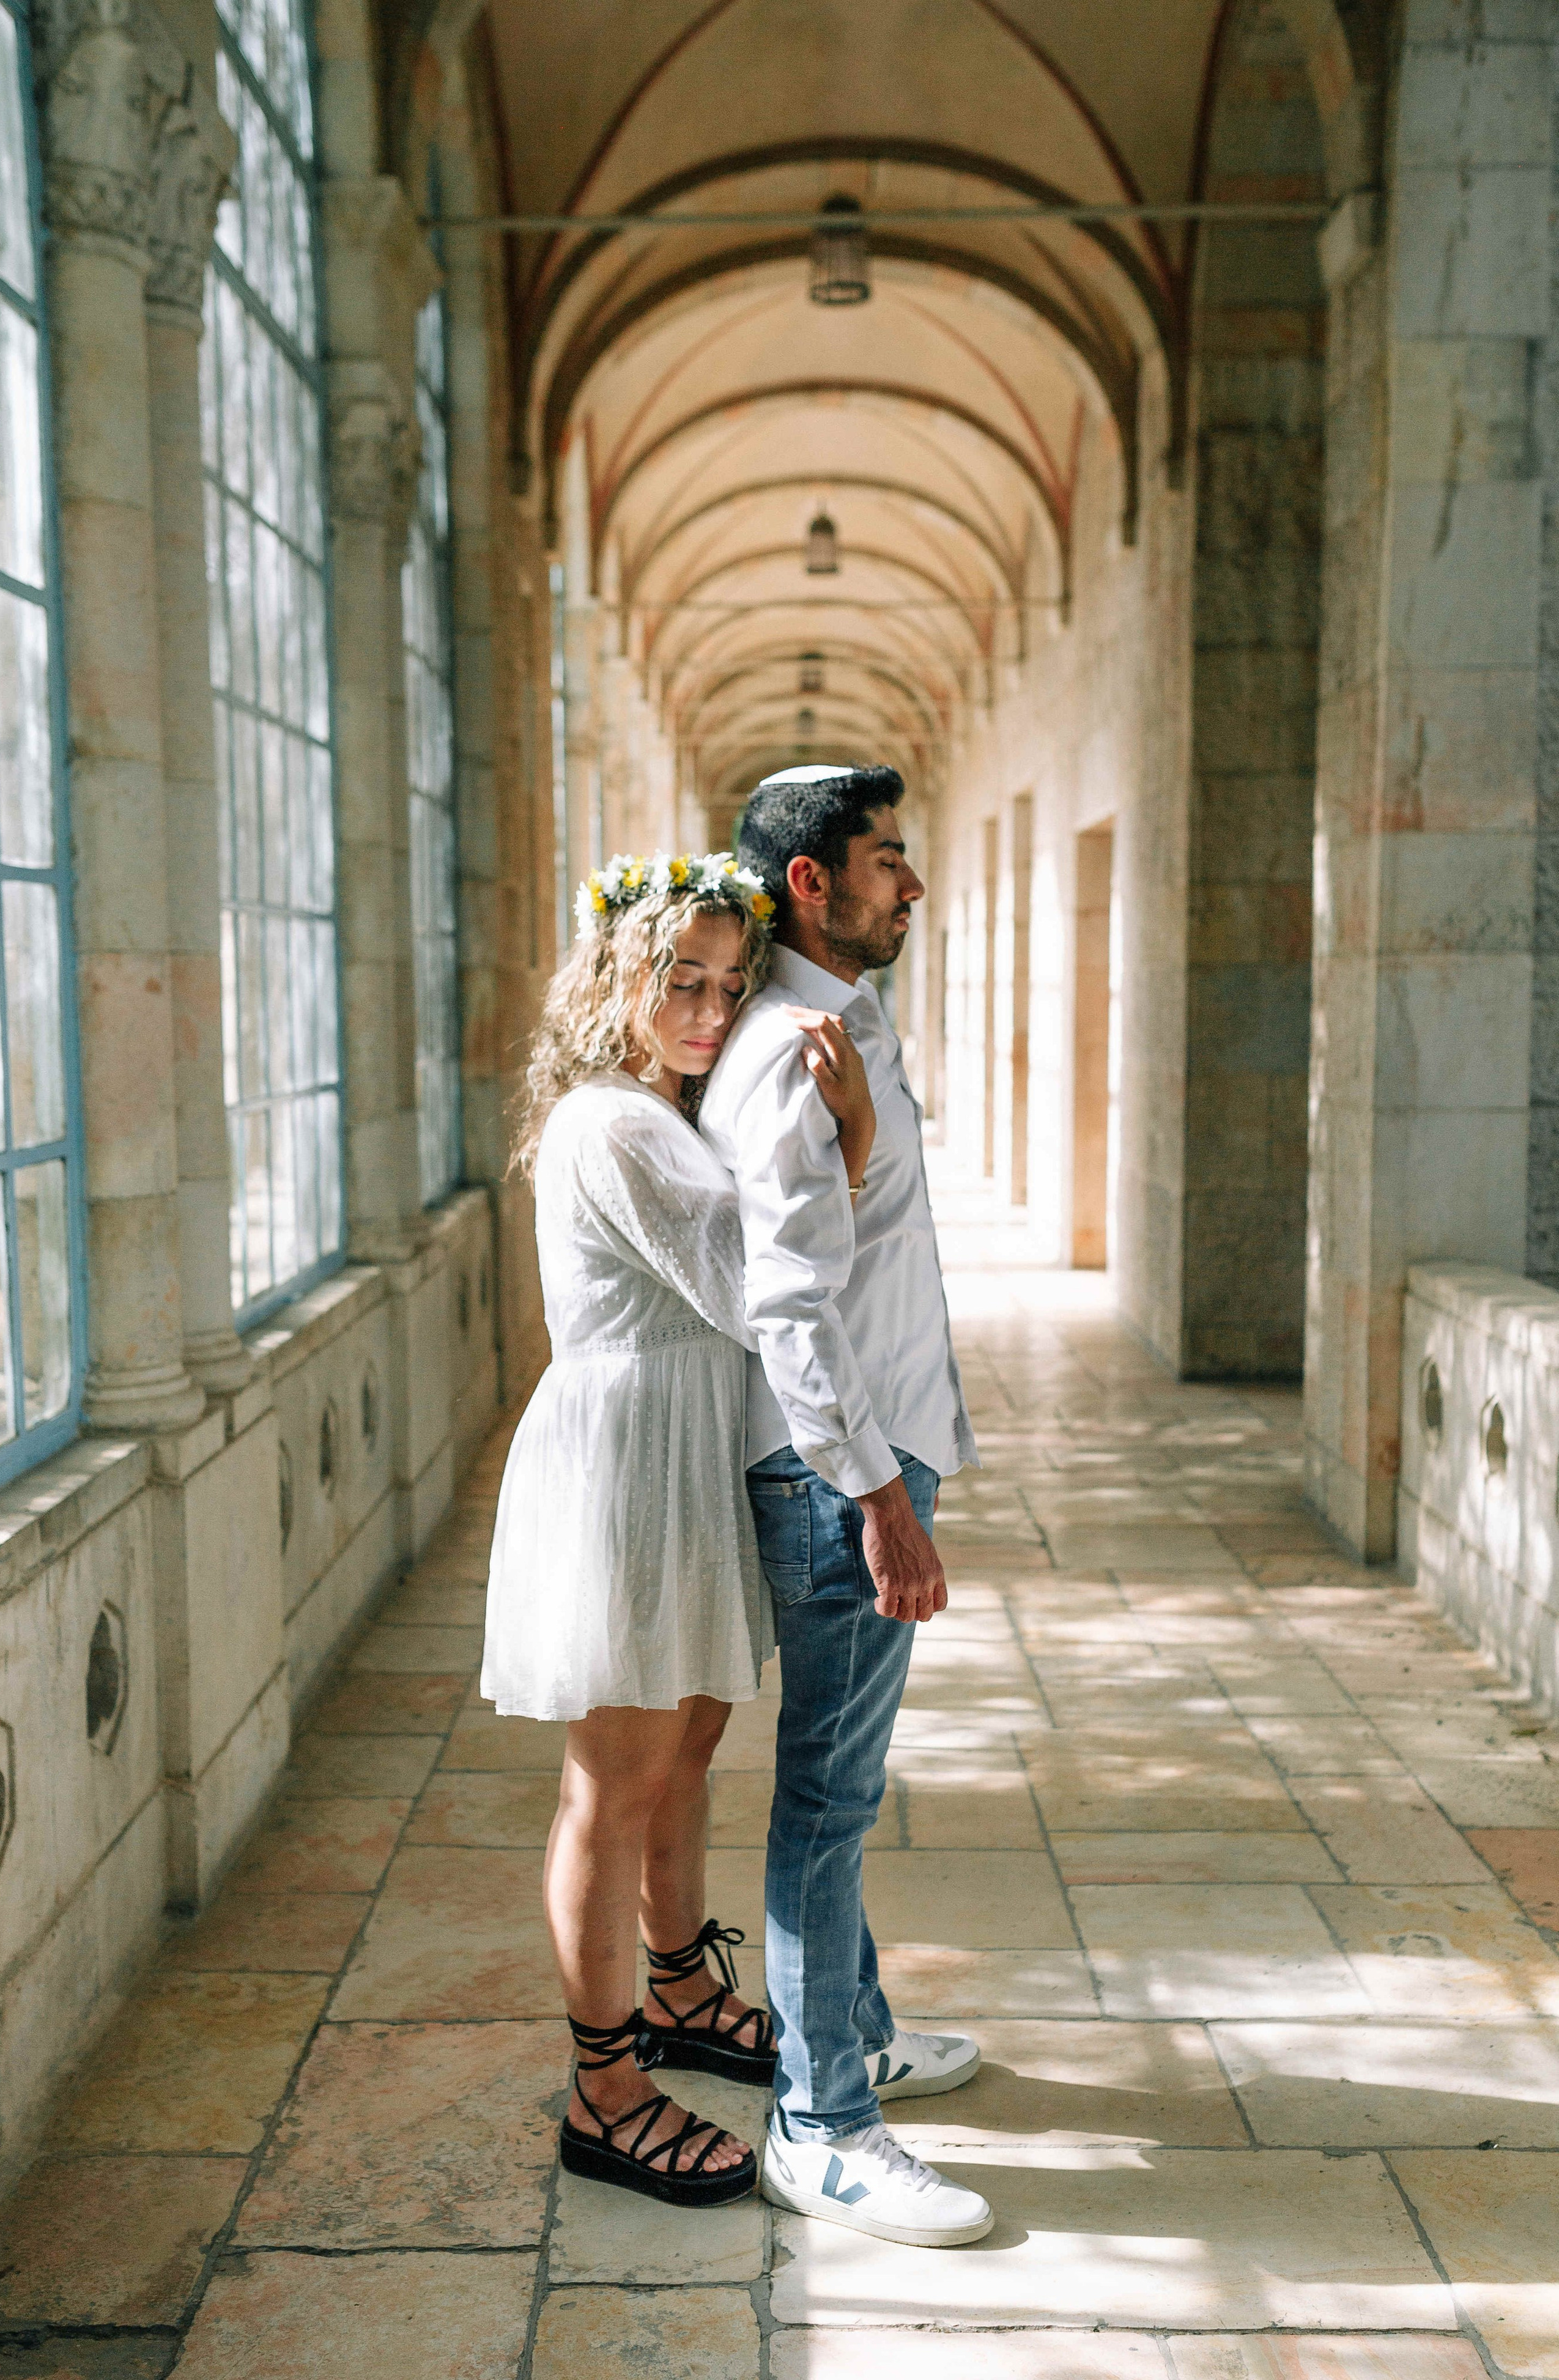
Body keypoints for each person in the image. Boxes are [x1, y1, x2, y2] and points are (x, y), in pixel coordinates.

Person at [481, 849, 876, 2209]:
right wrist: (856, 1151)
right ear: (617, 978)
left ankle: (681, 1986)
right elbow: (745, 1284)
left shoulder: (664, 1108)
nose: (709, 1011)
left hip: (684, 1449)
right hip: (627, 1464)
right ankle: (604, 2085)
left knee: (691, 1736)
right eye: (680, 981)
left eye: (727, 983)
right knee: (619, 1770)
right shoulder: (615, 1123)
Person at [698, 763, 994, 2250]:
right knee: (825, 1802)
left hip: (870, 1452)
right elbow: (791, 1306)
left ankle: (856, 2033)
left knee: (842, 1791)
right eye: (887, 859)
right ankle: (822, 2124)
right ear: (808, 881)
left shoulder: (842, 1031)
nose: (912, 884)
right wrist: (879, 1495)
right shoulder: (783, 1051)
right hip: (837, 1474)